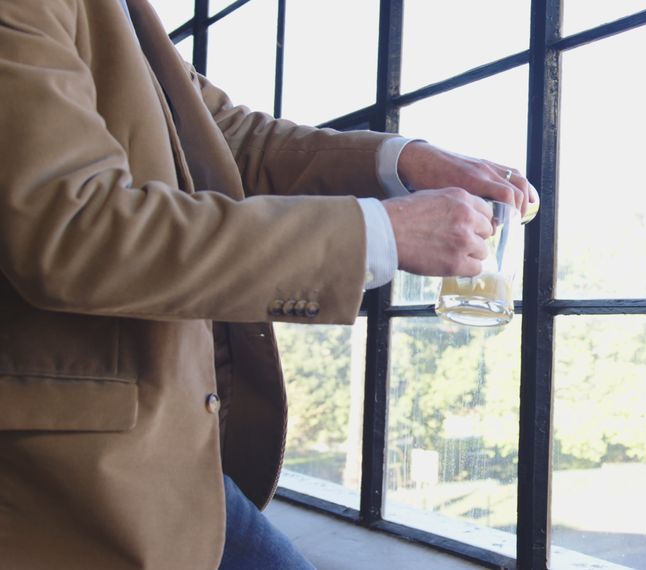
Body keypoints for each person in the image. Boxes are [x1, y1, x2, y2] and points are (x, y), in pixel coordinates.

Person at [0, 1, 536, 568]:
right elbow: (77, 230)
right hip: (63, 475)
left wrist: (406, 161)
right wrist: (380, 232)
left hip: (167, 454)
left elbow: (231, 136)